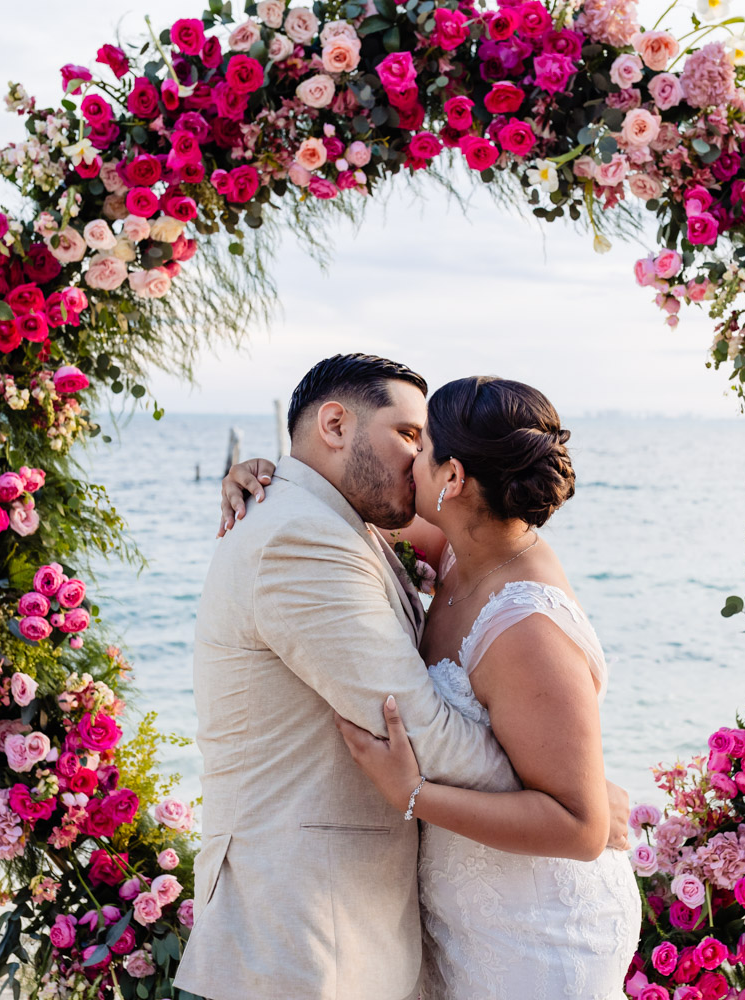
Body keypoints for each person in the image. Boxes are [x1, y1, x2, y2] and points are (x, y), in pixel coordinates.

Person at [177, 355, 628, 1000]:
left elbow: (450, 745)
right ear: (335, 424)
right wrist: (569, 794)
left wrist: (565, 796)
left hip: (517, 916)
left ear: (455, 477)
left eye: (423, 443)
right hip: (318, 926)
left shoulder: (487, 584)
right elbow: (424, 733)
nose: (412, 459)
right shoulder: (311, 530)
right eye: (405, 436)